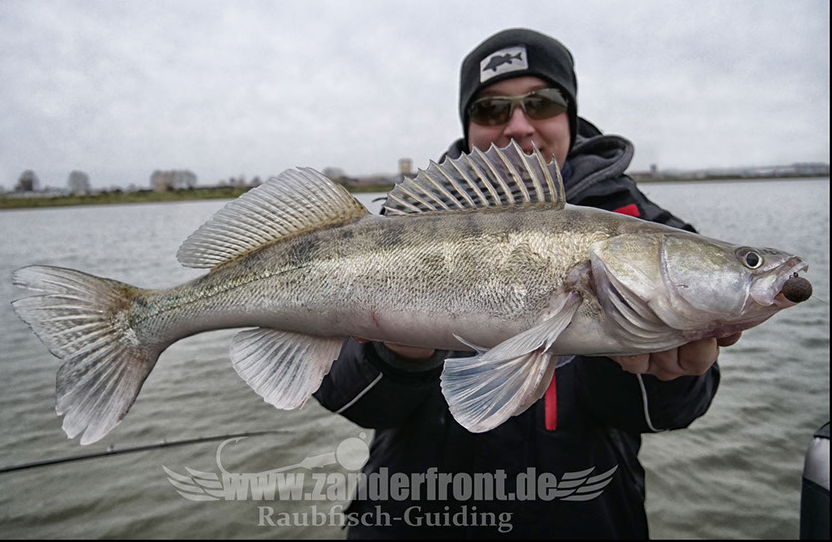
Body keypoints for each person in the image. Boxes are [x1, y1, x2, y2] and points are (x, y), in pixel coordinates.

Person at [314, 28, 740, 538]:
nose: (518, 126)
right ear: (469, 125)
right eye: (492, 109)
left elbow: (675, 412)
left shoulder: (648, 231)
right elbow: (348, 400)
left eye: (541, 102)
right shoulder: (397, 226)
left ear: (571, 115)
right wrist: (400, 355)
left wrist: (652, 366)